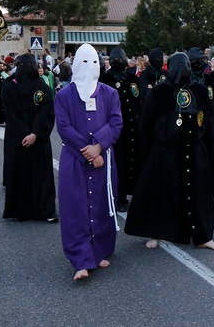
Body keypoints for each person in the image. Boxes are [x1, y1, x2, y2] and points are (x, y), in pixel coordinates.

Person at [126, 52, 214, 251]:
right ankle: (157, 232)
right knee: (162, 192)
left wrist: (206, 147)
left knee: (198, 193)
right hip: (165, 151)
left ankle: (203, 235)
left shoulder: (199, 90)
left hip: (194, 149)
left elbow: (207, 119)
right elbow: (146, 124)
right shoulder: (159, 92)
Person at [54, 43, 123, 281]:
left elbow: (115, 123)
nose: (89, 67)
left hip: (103, 160)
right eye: (84, 62)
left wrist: (99, 147)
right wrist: (89, 151)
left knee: (102, 203)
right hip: (75, 159)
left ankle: (100, 250)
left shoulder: (109, 93)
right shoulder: (63, 95)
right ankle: (80, 260)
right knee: (76, 208)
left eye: (93, 62)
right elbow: (64, 127)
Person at [2, 54, 57, 222]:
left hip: (25, 139)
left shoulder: (42, 87)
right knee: (33, 175)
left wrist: (33, 134)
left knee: (33, 175)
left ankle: (31, 210)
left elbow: (46, 112)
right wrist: (33, 134)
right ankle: (36, 211)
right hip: (28, 139)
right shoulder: (11, 86)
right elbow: (11, 113)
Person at [99, 46, 141, 212]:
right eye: (117, 59)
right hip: (114, 130)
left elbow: (139, 101)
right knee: (118, 164)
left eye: (122, 59)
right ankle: (118, 196)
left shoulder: (132, 79)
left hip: (132, 127)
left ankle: (131, 194)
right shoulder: (104, 79)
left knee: (133, 162)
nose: (120, 61)